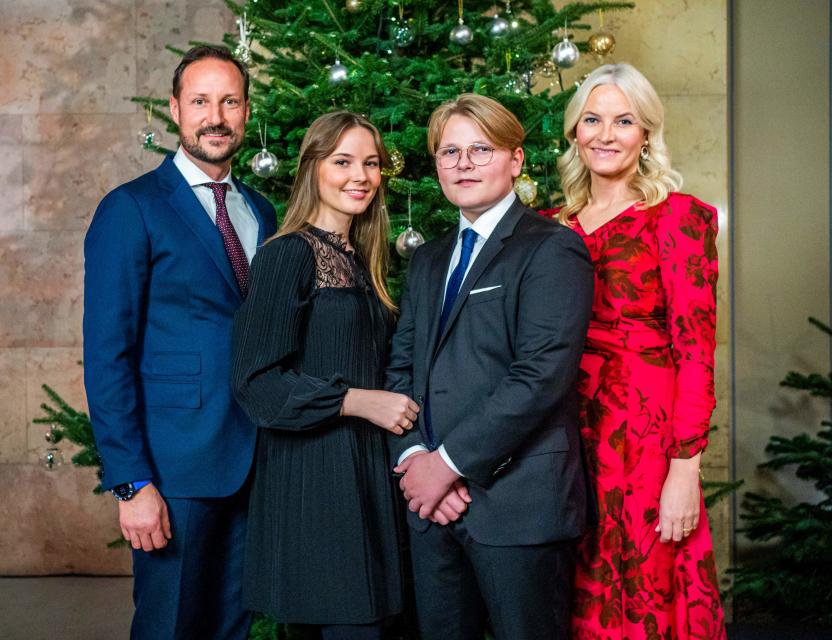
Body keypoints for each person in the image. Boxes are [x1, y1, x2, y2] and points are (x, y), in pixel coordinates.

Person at [82, 45, 277, 639]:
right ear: (174, 110)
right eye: (200, 101)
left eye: (229, 101)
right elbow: (106, 355)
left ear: (245, 113)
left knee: (233, 628)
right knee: (171, 626)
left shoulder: (262, 211)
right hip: (173, 470)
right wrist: (132, 480)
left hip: (258, 462)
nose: (215, 115)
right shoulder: (132, 208)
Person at [385, 93, 595, 640]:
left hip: (517, 504)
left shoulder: (551, 249)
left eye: (481, 149)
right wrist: (414, 462)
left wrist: (448, 464)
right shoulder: (429, 259)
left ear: (515, 159)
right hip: (431, 507)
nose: (463, 163)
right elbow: (401, 368)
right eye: (449, 152)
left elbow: (540, 375)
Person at [554, 63, 726, 638]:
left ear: (646, 133)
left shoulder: (678, 219)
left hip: (646, 438)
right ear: (575, 131)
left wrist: (685, 469)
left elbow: (696, 350)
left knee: (649, 580)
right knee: (577, 583)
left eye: (623, 121)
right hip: (566, 433)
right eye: (593, 119)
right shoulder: (553, 226)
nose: (605, 134)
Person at [231, 111, 417, 640]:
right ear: (312, 167)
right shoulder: (287, 255)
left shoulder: (361, 260)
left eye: (371, 163)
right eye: (343, 161)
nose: (360, 175)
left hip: (366, 475)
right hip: (316, 480)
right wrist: (359, 401)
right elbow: (255, 383)